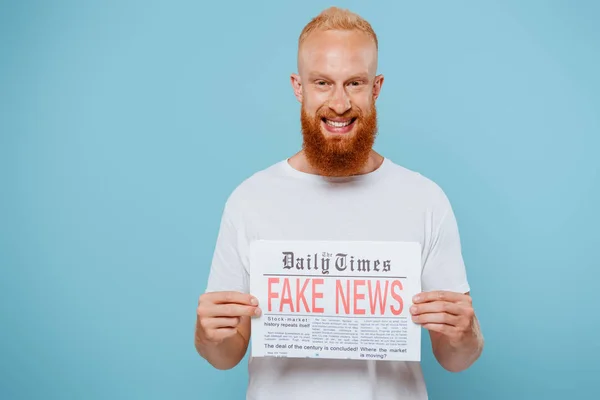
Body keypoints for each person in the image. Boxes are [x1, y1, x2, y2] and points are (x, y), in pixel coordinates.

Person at [195, 6, 484, 399]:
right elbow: (226, 354)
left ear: (376, 88)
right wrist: (207, 334)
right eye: (322, 83)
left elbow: (456, 359)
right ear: (299, 87)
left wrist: (466, 334)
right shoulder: (249, 200)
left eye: (354, 83)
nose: (340, 103)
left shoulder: (425, 200)